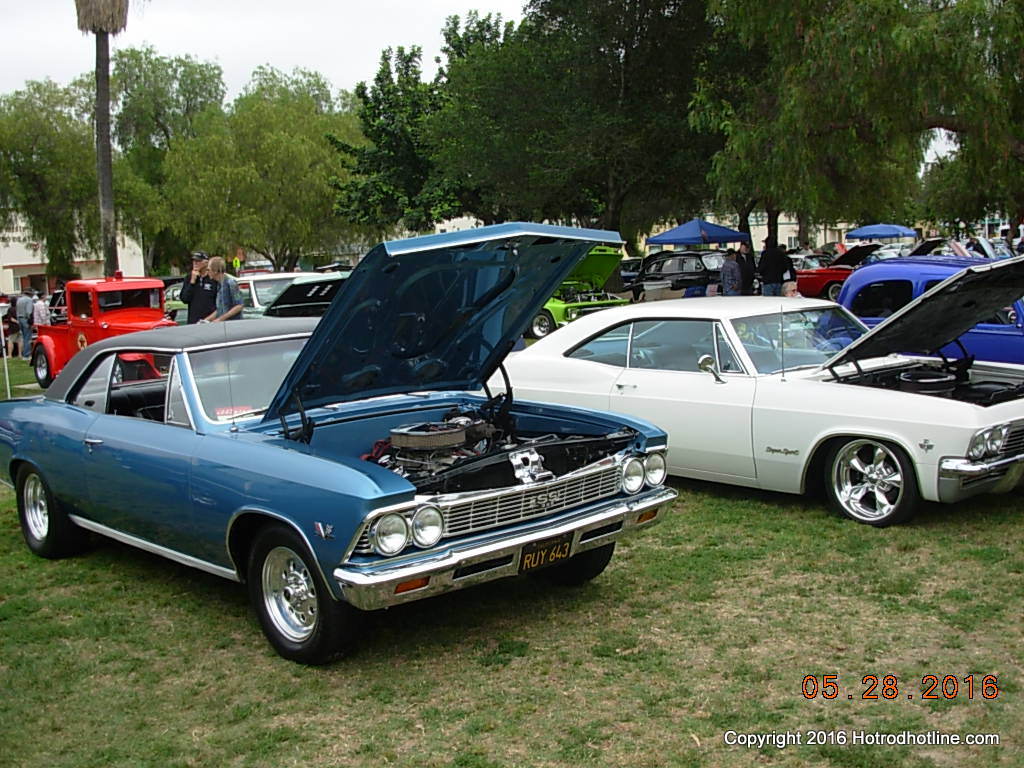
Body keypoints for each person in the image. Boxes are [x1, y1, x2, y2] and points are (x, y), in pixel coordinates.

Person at [180, 251, 219, 323]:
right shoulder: (189, 277)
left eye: (198, 261)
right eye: (194, 261)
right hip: (193, 323)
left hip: (210, 322)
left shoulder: (213, 278)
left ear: (206, 262)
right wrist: (192, 282)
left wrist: (209, 319)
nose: (195, 263)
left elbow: (220, 304)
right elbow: (184, 299)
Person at [204, 256, 244, 322]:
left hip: (233, 325)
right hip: (224, 326)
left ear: (215, 271)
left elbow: (239, 306)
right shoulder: (219, 285)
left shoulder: (230, 283)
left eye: (208, 269)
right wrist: (205, 320)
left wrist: (220, 319)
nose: (207, 272)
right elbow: (220, 309)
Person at [15, 288, 34, 359]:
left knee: (22, 337)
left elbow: (17, 311)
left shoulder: (19, 299)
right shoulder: (29, 300)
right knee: (28, 337)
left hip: (19, 319)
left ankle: (23, 353)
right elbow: (29, 312)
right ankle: (27, 355)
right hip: (26, 319)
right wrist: (31, 322)